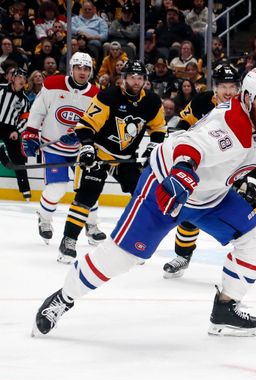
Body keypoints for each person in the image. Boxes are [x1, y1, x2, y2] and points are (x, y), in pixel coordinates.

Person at [32, 69, 256, 338]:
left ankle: (226, 308)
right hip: (166, 187)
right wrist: (183, 171)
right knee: (122, 257)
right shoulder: (228, 124)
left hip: (212, 196)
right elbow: (189, 144)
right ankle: (63, 298)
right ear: (247, 97)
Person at [56, 60, 166, 264]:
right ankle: (68, 240)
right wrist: (88, 147)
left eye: (140, 78)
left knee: (142, 196)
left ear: (145, 80)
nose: (136, 81)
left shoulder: (152, 101)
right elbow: (85, 126)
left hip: (125, 159)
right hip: (99, 153)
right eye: (132, 77)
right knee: (86, 196)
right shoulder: (108, 96)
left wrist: (152, 148)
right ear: (124, 78)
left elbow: (159, 129)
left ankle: (134, 242)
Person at [160, 63, 241, 279]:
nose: (228, 91)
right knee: (189, 212)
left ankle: (243, 261)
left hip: (235, 168)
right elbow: (184, 124)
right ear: (215, 87)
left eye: (232, 86)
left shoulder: (244, 108)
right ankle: (183, 256)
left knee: (241, 218)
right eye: (223, 86)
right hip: (205, 167)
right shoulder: (204, 101)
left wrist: (249, 180)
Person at [21, 52, 99, 245]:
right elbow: (39, 109)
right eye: (79, 68)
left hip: (81, 149)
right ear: (71, 68)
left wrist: (84, 135)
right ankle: (45, 219)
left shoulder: (96, 94)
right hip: (53, 146)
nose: (83, 72)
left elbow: (98, 122)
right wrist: (31, 131)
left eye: (86, 69)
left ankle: (92, 225)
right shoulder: (53, 84)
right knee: (56, 188)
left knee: (89, 187)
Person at [0, 65, 30, 201]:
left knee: (18, 159)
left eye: (24, 78)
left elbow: (25, 119)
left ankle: (25, 189)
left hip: (10, 129)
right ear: (12, 79)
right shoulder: (0, 89)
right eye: (19, 77)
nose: (22, 80)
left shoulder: (24, 100)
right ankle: (4, 159)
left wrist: (17, 131)